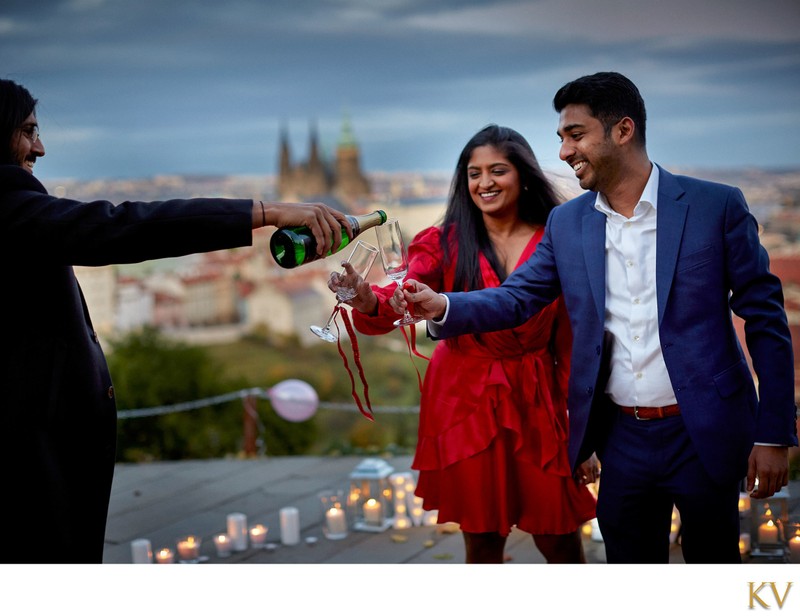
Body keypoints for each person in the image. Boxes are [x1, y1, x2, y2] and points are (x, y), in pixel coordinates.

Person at [393, 72, 798, 564]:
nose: (564, 152)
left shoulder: (715, 205)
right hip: (621, 438)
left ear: (623, 131)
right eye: (561, 138)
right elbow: (518, 297)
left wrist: (774, 432)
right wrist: (444, 306)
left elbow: (766, 319)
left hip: (706, 431)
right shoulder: (569, 222)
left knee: (713, 565)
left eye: (576, 135)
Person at [0, 78, 354, 564]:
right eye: (27, 131)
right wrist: (266, 211)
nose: (39, 147)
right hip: (26, 458)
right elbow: (123, 226)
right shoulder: (5, 207)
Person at [332, 125, 597, 563]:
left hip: (537, 397)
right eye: (473, 173)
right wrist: (366, 297)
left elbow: (572, 340)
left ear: (524, 175)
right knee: (482, 539)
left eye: (498, 170)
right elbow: (406, 288)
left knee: (560, 536)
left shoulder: (559, 239)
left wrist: (581, 427)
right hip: (463, 399)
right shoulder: (443, 242)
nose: (484, 182)